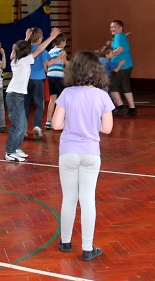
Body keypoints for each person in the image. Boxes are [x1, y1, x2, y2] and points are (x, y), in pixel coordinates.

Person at [52, 51, 114, 262]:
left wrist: (72, 123)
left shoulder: (67, 94)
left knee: (68, 198)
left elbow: (57, 125)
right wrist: (91, 125)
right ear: (97, 72)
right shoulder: (102, 96)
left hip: (68, 152)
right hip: (91, 153)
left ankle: (65, 241)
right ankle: (87, 248)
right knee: (88, 199)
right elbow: (107, 129)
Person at [5, 27, 61, 162]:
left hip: (17, 95)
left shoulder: (17, 60)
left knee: (22, 125)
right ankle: (10, 152)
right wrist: (52, 37)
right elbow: (40, 49)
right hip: (14, 95)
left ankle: (16, 148)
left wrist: (26, 38)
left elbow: (17, 51)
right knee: (18, 125)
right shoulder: (23, 61)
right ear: (26, 52)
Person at [25, 27, 53, 139]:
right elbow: (48, 64)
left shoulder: (26, 50)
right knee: (39, 105)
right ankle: (37, 126)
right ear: (40, 38)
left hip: (26, 80)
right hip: (38, 80)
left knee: (25, 105)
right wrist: (59, 58)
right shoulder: (43, 51)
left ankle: (23, 129)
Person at [109, 20, 137, 116]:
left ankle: (120, 106)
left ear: (120, 28)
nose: (112, 29)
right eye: (110, 27)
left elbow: (120, 49)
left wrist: (109, 55)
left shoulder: (118, 36)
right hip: (127, 64)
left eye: (114, 27)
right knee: (125, 87)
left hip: (121, 66)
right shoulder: (121, 36)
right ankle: (132, 108)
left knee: (112, 85)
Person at [44, 33, 68, 130]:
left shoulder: (50, 51)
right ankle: (63, 120)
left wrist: (48, 72)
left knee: (52, 99)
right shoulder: (62, 51)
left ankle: (48, 121)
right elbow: (65, 62)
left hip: (50, 76)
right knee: (63, 99)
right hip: (59, 76)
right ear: (62, 42)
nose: (65, 44)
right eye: (65, 42)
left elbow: (45, 65)